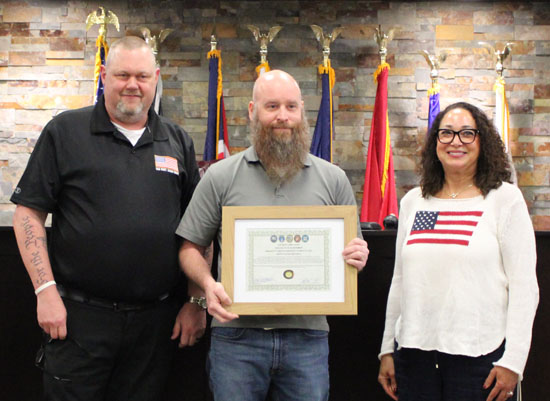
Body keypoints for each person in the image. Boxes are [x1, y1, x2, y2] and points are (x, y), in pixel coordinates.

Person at [11, 36, 205, 401]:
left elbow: (198, 229)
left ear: (155, 79)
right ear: (104, 75)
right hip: (78, 320)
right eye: (122, 75)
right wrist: (45, 291)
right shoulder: (65, 131)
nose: (133, 85)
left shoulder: (177, 140)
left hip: (154, 325)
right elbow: (28, 214)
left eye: (142, 76)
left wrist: (196, 302)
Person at [176, 69, 369, 401]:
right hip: (236, 338)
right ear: (253, 111)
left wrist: (357, 257)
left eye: (291, 106)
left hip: (307, 339)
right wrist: (207, 285)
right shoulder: (220, 176)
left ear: (302, 111)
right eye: (272, 106)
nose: (283, 116)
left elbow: (351, 254)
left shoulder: (334, 179)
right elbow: (189, 248)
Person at [377, 102, 539, 401]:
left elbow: (524, 287)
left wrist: (513, 362)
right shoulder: (414, 201)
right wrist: (387, 348)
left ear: (483, 141)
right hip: (414, 357)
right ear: (435, 141)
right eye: (447, 133)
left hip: (482, 358)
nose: (456, 142)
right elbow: (399, 281)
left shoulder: (505, 200)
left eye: (467, 133)